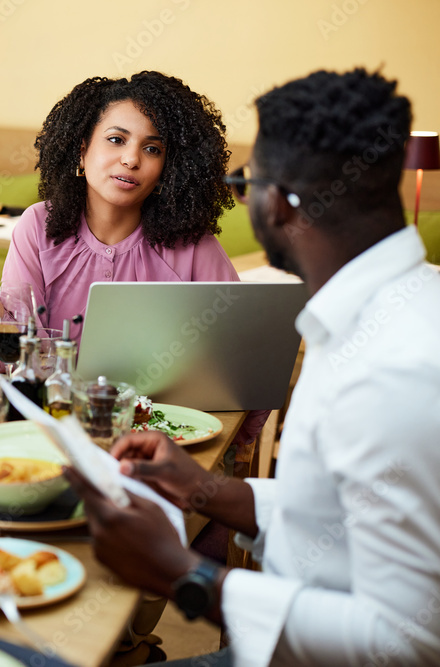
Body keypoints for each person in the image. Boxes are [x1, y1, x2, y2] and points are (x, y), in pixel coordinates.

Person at [67, 68, 440, 666]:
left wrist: (184, 574)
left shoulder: (392, 373)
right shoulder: (378, 311)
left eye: (248, 180)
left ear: (278, 202)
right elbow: (332, 515)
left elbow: (408, 643)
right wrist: (206, 489)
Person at [0, 72, 239, 368]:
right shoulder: (38, 227)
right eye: (116, 140)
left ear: (168, 168)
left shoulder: (194, 245)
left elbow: (238, 353)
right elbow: (9, 354)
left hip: (164, 432)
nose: (131, 159)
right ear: (82, 151)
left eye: (152, 149)